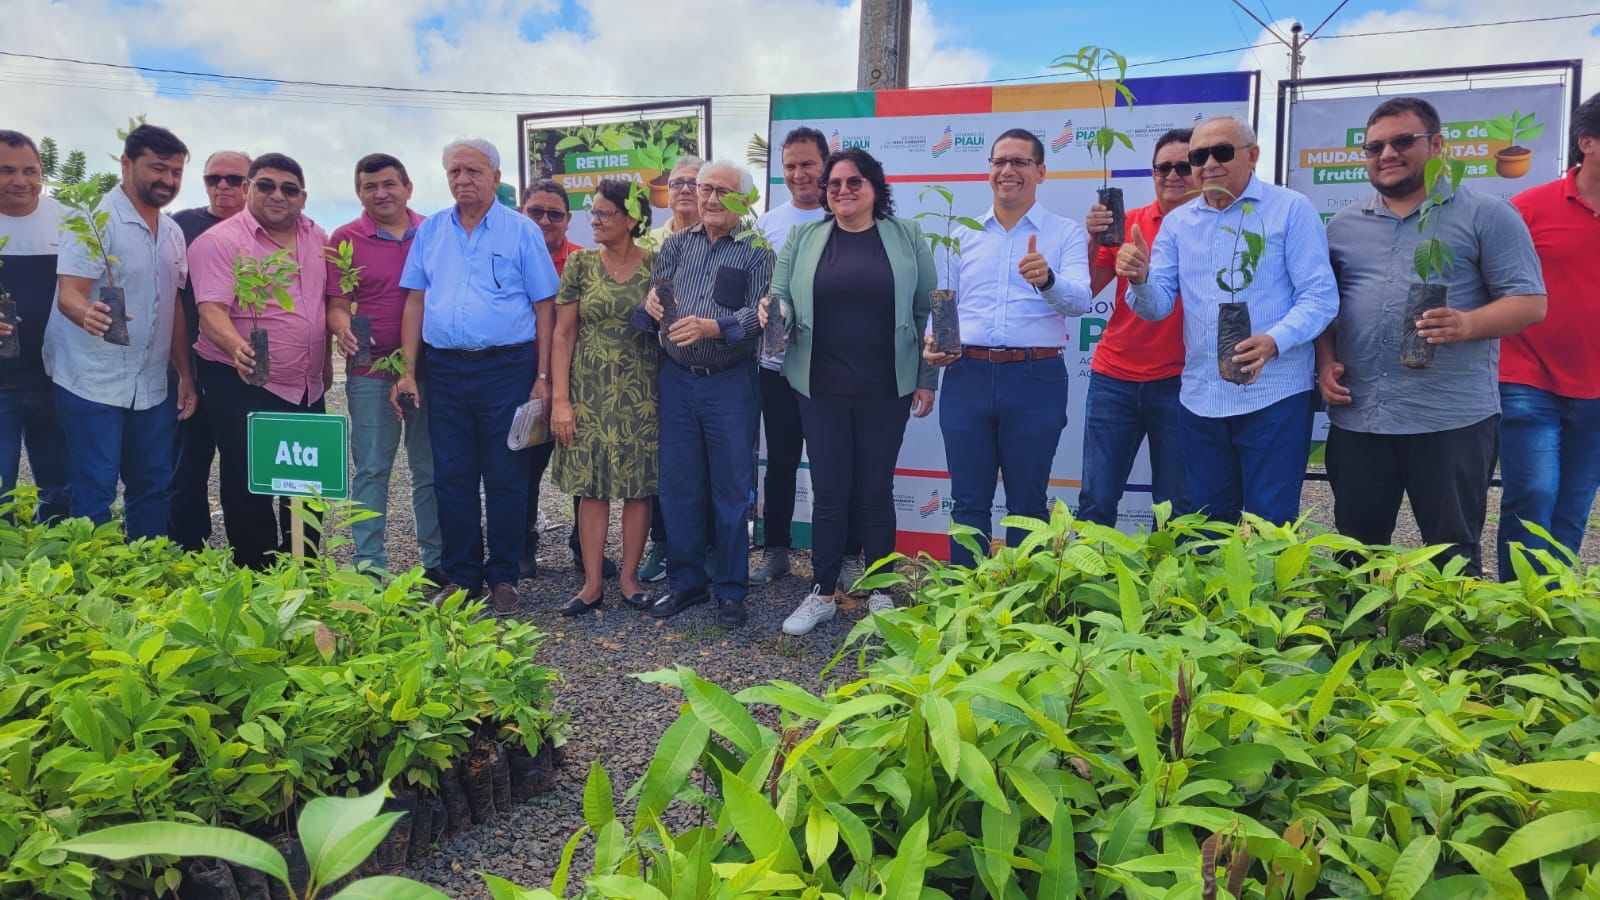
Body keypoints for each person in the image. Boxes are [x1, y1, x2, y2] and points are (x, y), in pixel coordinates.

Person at [1318, 98, 1545, 576]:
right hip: (1361, 417)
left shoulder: (1487, 215)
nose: (1386, 154)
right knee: (1354, 552)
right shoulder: (1342, 226)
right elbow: (1327, 310)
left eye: (1403, 141)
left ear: (1438, 145)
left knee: (1452, 550)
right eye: (1374, 146)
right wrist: (1325, 360)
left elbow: (1530, 302)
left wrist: (1467, 324)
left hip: (1450, 420)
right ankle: (1360, 646)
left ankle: (1450, 648)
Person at [1120, 116, 1338, 526]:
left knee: (1269, 526)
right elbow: (1157, 307)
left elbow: (1321, 297)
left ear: (1252, 156)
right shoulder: (1179, 223)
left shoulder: (1290, 210)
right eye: (1198, 156)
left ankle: (1266, 595)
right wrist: (1142, 279)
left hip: (1274, 395)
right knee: (1207, 527)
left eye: (1222, 152)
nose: (1208, 165)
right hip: (1201, 397)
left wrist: (1274, 340)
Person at [760, 148, 936, 636]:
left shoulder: (908, 237)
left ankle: (880, 591)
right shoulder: (804, 236)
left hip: (888, 386)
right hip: (820, 387)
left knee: (875, 490)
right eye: (834, 184)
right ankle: (822, 591)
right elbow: (783, 297)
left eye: (853, 182)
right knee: (830, 491)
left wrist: (927, 379)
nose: (842, 191)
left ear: (875, 187)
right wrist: (773, 313)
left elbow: (929, 311)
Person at [394, 138, 558, 614]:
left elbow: (544, 305)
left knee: (507, 475)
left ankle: (504, 576)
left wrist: (542, 375)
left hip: (507, 368)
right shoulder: (430, 232)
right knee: (452, 475)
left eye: (472, 171)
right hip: (445, 369)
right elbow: (415, 300)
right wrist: (407, 369)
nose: (462, 180)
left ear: (496, 177)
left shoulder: (521, 231)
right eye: (454, 172)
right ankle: (462, 575)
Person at [921, 128, 1093, 566]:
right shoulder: (962, 234)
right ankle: (964, 609)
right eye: (999, 162)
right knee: (968, 504)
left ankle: (1021, 616)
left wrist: (1047, 280)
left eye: (1019, 162)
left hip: (1035, 379)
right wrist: (932, 343)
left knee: (1028, 505)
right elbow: (944, 302)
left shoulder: (1065, 233)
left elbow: (1080, 301)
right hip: (967, 375)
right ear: (989, 171)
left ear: (1041, 171)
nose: (1007, 171)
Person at [633, 160, 772, 627]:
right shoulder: (674, 246)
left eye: (725, 192)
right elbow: (656, 299)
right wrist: (650, 304)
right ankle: (686, 583)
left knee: (731, 492)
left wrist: (717, 326)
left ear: (744, 201)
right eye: (706, 189)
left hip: (730, 383)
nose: (712, 199)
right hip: (675, 379)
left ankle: (731, 589)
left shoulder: (757, 251)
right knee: (678, 488)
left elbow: (762, 317)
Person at [47, 124, 195, 537]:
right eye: (158, 168)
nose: (168, 180)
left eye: (177, 172)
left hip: (150, 384)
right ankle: (92, 585)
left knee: (152, 485)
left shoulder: (173, 233)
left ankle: (145, 575)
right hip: (90, 378)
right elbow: (69, 293)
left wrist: (185, 373)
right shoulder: (94, 219)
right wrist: (86, 314)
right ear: (127, 164)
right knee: (95, 487)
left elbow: (174, 307)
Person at [190, 152, 330, 568]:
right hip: (244, 381)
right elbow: (211, 311)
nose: (277, 195)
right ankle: (257, 577)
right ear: (248, 189)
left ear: (302, 197)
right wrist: (239, 349)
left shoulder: (317, 236)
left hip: (306, 385)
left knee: (307, 481)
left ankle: (301, 572)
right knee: (249, 483)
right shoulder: (219, 242)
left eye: (289, 188)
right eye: (266, 185)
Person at [326, 153, 444, 583]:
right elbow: (337, 306)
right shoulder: (345, 238)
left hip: (431, 368)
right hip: (371, 371)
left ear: (408, 187)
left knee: (428, 467)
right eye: (370, 187)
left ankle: (435, 560)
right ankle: (370, 565)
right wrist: (342, 329)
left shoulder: (433, 231)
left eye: (389, 184)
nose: (381, 193)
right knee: (372, 467)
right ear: (359, 192)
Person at [1498, 91, 1600, 576]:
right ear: (1588, 143)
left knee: (1574, 506)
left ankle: (1552, 617)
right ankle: (1516, 616)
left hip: (1598, 389)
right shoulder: (1528, 208)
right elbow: (1493, 285)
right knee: (1533, 494)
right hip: (1526, 377)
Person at [549, 179, 658, 614]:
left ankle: (629, 579)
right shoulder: (579, 265)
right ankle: (592, 583)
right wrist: (561, 400)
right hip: (588, 390)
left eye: (603, 213)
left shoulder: (657, 265)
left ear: (630, 219)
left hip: (643, 392)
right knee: (590, 487)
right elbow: (563, 332)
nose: (593, 219)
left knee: (638, 487)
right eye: (591, 212)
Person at [1078, 128, 1194, 527]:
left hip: (1182, 381)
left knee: (1178, 506)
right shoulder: (1131, 222)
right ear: (1153, 173)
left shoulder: (1216, 229)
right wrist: (1094, 240)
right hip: (1114, 378)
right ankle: (1091, 587)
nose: (1173, 175)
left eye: (1185, 165)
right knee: (1096, 500)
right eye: (1164, 167)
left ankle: (1170, 590)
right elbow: (1088, 288)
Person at [518, 178, 619, 582]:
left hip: (582, 380)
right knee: (525, 467)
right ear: (522, 213)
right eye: (536, 212)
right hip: (521, 375)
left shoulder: (585, 261)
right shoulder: (509, 255)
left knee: (586, 469)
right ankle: (523, 544)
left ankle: (584, 547)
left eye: (554, 214)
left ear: (568, 219)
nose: (544, 220)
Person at [749, 126, 829, 586]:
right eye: (791, 166)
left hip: (830, 367)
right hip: (777, 365)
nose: (800, 174)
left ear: (825, 163)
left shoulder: (844, 217)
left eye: (808, 164)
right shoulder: (766, 226)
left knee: (831, 464)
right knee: (779, 460)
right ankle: (776, 548)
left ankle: (837, 555)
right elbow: (753, 293)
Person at [169, 149, 250, 549]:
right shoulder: (181, 226)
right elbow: (172, 302)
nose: (223, 187)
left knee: (241, 466)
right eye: (213, 178)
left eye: (234, 179)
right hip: (192, 363)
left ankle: (248, 555)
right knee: (187, 464)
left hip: (245, 371)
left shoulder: (265, 231)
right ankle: (189, 549)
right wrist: (184, 370)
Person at [0, 130, 70, 522]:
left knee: (61, 485)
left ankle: (57, 567)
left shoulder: (69, 221)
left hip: (55, 375)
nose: (20, 181)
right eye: (6, 170)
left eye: (30, 170)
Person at [648, 156, 703, 247]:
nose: (685, 189)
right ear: (668, 196)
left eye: (694, 184)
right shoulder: (646, 243)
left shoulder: (723, 243)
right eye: (677, 183)